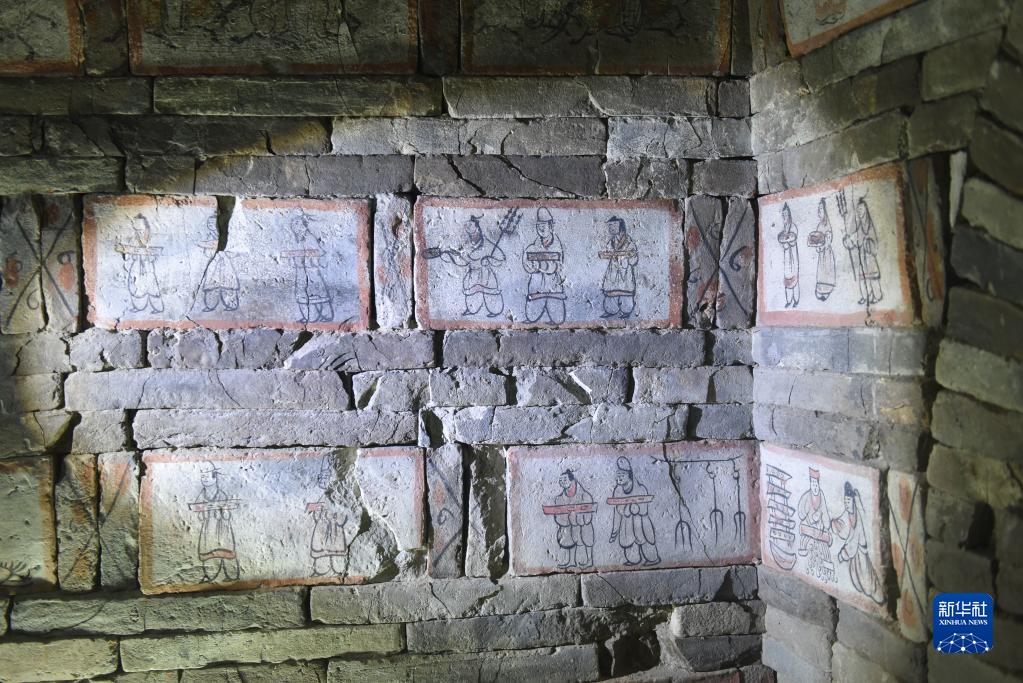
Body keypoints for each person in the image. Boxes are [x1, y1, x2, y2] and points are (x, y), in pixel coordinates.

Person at [439, 215, 506, 317]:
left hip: (486, 273)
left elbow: (501, 259)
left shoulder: (487, 244)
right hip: (473, 273)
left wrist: (489, 259)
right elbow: (464, 262)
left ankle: (495, 311)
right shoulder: (467, 246)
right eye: (466, 225)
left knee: (490, 292)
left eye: (470, 225)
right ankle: (472, 309)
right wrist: (450, 255)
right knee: (472, 293)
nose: (467, 227)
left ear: (477, 226)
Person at [832, 481, 884, 604]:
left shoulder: (858, 515)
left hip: (860, 552)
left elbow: (854, 539)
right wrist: (835, 524)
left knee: (867, 578)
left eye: (848, 501)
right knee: (856, 578)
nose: (846, 504)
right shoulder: (849, 513)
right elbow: (842, 522)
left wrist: (843, 554)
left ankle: (878, 595)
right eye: (845, 501)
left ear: (853, 501)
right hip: (854, 554)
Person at [308, 456, 356, 578]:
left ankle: (338, 570)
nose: (322, 480)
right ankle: (321, 571)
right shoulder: (323, 497)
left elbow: (344, 511)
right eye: (321, 477)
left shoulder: (338, 495)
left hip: (335, 528)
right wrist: (317, 508)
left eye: (325, 477)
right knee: (321, 550)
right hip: (323, 527)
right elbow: (311, 508)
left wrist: (334, 517)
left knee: (335, 551)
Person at [192, 461, 239, 583]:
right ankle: (209, 575)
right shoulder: (201, 495)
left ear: (214, 476)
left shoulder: (221, 494)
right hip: (208, 529)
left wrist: (223, 511)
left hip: (222, 528)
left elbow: (227, 515)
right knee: (209, 551)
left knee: (225, 550)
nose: (204, 478)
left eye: (207, 475)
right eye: (202, 476)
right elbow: (199, 513)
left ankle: (232, 575)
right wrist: (203, 512)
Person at [608, 456, 660, 566]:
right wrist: (615, 529)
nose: (619, 478)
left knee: (645, 540)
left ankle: (652, 559)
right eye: (617, 476)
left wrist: (635, 508)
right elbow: (617, 511)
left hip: (640, 521)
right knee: (628, 543)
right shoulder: (617, 490)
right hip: (626, 522)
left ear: (629, 476)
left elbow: (644, 509)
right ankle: (633, 560)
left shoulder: (640, 488)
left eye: (622, 475)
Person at [285, 214, 334, 324]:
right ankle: (306, 316)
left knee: (315, 292)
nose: (295, 229)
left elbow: (318, 251)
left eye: (296, 226)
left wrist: (305, 255)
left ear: (301, 227)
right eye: (294, 227)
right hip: (300, 271)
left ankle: (320, 315)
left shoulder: (310, 237)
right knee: (301, 292)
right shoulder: (298, 240)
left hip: (311, 270)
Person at [523, 207, 567, 324]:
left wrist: (539, 265)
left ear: (551, 226)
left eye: (544, 225)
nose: (541, 228)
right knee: (531, 317)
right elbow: (527, 265)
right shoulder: (532, 248)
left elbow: (557, 266)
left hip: (553, 285)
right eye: (539, 226)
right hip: (536, 285)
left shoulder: (557, 247)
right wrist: (534, 266)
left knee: (558, 320)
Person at [117, 214, 164, 314]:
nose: (137, 228)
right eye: (136, 225)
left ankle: (158, 308)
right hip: (137, 263)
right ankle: (139, 307)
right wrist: (127, 250)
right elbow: (130, 247)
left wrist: (141, 241)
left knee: (151, 286)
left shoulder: (149, 235)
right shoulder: (134, 236)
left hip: (146, 264)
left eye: (139, 225)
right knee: (136, 285)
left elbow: (150, 247)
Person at [796, 468, 835, 582]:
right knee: (804, 541)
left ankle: (827, 566)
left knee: (824, 545)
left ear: (818, 484)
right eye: (813, 484)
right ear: (810, 484)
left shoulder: (821, 494)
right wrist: (807, 516)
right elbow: (801, 510)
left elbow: (825, 511)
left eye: (816, 484)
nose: (815, 486)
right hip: (808, 524)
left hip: (819, 527)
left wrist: (826, 525)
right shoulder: (807, 495)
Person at [553, 470, 595, 568]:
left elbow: (588, 516)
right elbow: (558, 515)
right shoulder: (560, 498)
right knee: (569, 538)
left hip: (583, 525)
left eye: (565, 479)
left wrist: (577, 518)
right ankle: (571, 561)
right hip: (569, 524)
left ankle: (589, 561)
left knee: (586, 539)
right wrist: (566, 519)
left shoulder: (585, 495)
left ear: (572, 480)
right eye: (560, 480)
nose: (562, 482)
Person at [197, 214, 240, 313]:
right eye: (209, 223)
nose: (210, 225)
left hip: (225, 263)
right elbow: (207, 252)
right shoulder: (209, 236)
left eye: (213, 223)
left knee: (228, 285)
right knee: (211, 286)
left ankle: (231, 305)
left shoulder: (226, 235)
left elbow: (234, 250)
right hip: (214, 264)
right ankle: (210, 306)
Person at [599, 217, 639, 319]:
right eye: (610, 226)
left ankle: (626, 311)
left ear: (620, 227)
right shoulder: (611, 242)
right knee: (610, 291)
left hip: (624, 271)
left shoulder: (629, 242)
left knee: (626, 292)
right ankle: (610, 310)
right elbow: (607, 253)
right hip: (613, 271)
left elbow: (633, 261)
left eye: (613, 225)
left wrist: (630, 256)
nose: (611, 228)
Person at [809, 198, 836, 301]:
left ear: (825, 210)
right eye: (818, 209)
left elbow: (828, 240)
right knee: (821, 272)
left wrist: (822, 246)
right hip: (821, 254)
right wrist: (817, 246)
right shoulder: (819, 225)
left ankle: (826, 291)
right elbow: (816, 240)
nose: (819, 211)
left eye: (820, 208)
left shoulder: (827, 224)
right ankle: (821, 291)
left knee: (827, 271)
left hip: (827, 253)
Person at [777, 203, 799, 308]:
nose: (784, 217)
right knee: (787, 279)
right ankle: (789, 300)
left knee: (794, 279)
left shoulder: (792, 226)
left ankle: (796, 300)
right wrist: (783, 238)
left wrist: (786, 238)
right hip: (786, 257)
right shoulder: (785, 227)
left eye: (785, 214)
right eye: (783, 215)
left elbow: (793, 237)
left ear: (789, 215)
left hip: (793, 256)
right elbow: (781, 237)